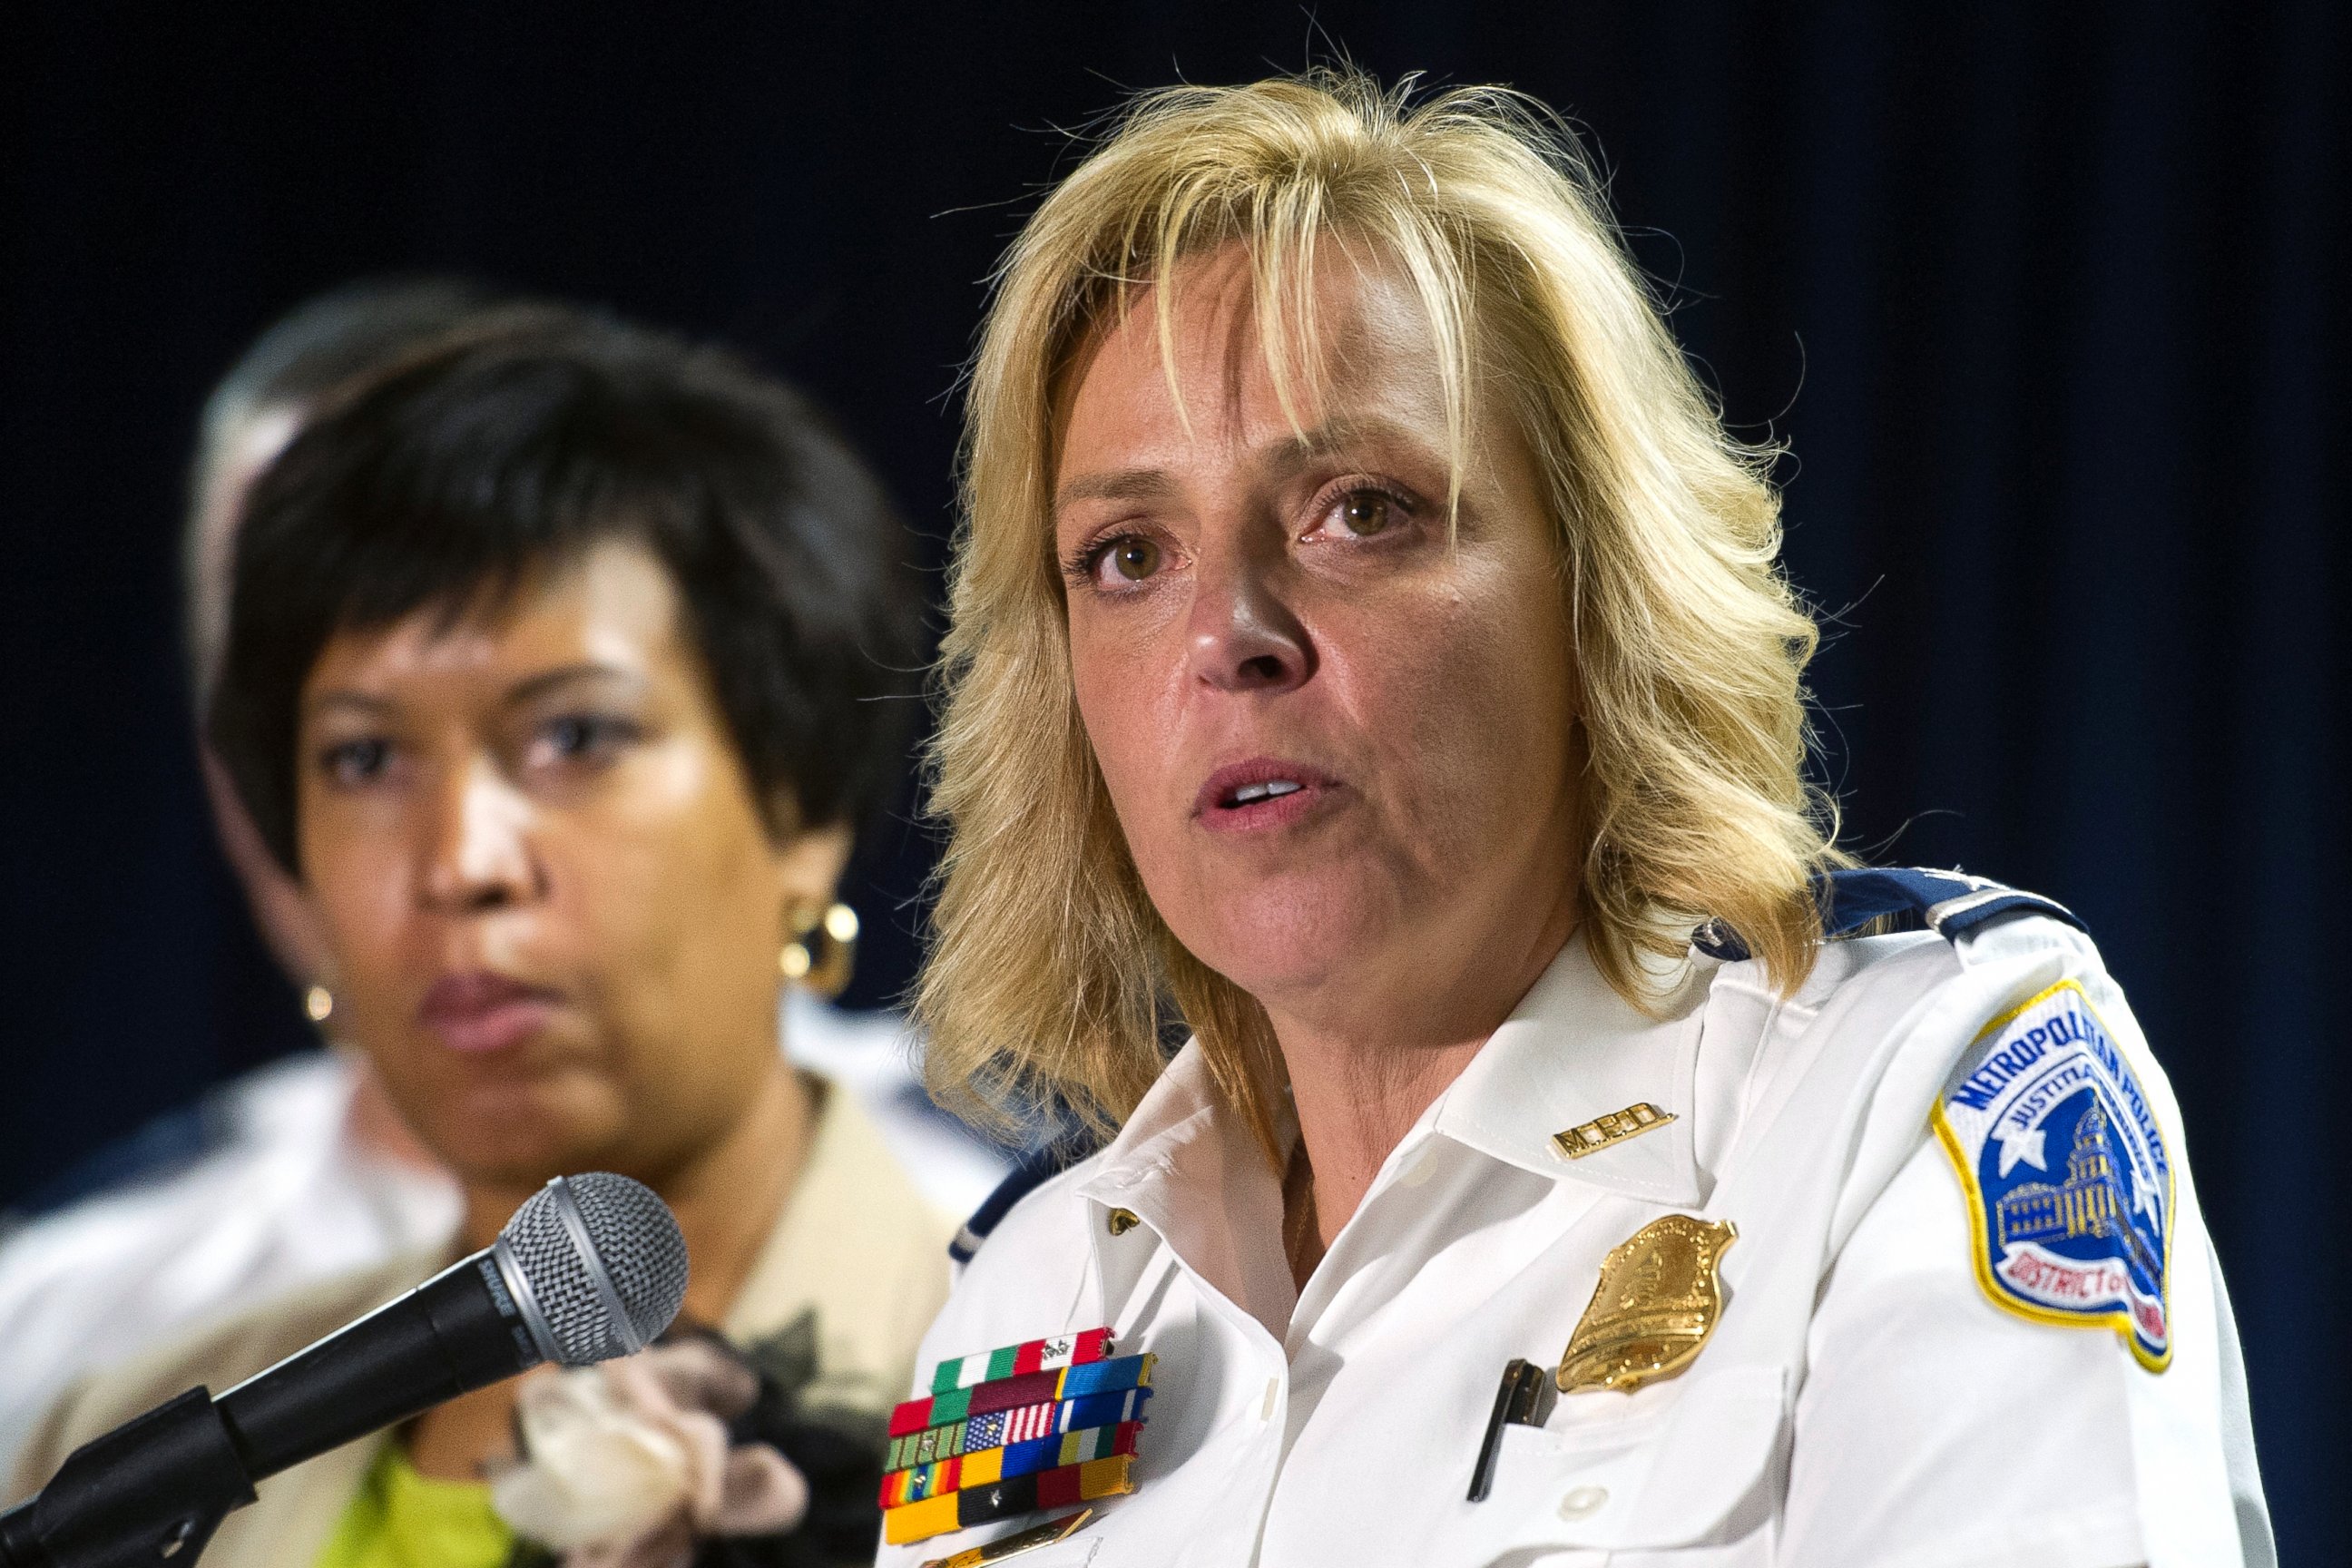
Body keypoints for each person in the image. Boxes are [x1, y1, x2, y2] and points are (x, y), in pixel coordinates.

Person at [889, 72, 2270, 1567]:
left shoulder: (1921, 1089)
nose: (1230, 631)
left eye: (1360, 509)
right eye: (1126, 554)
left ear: (1600, 598)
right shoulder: (1030, 1309)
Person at [0, 281, 1004, 1478]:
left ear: (800, 805)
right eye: (365, 758)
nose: (461, 864)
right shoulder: (121, 1456)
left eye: (575, 738)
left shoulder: (1024, 1380)